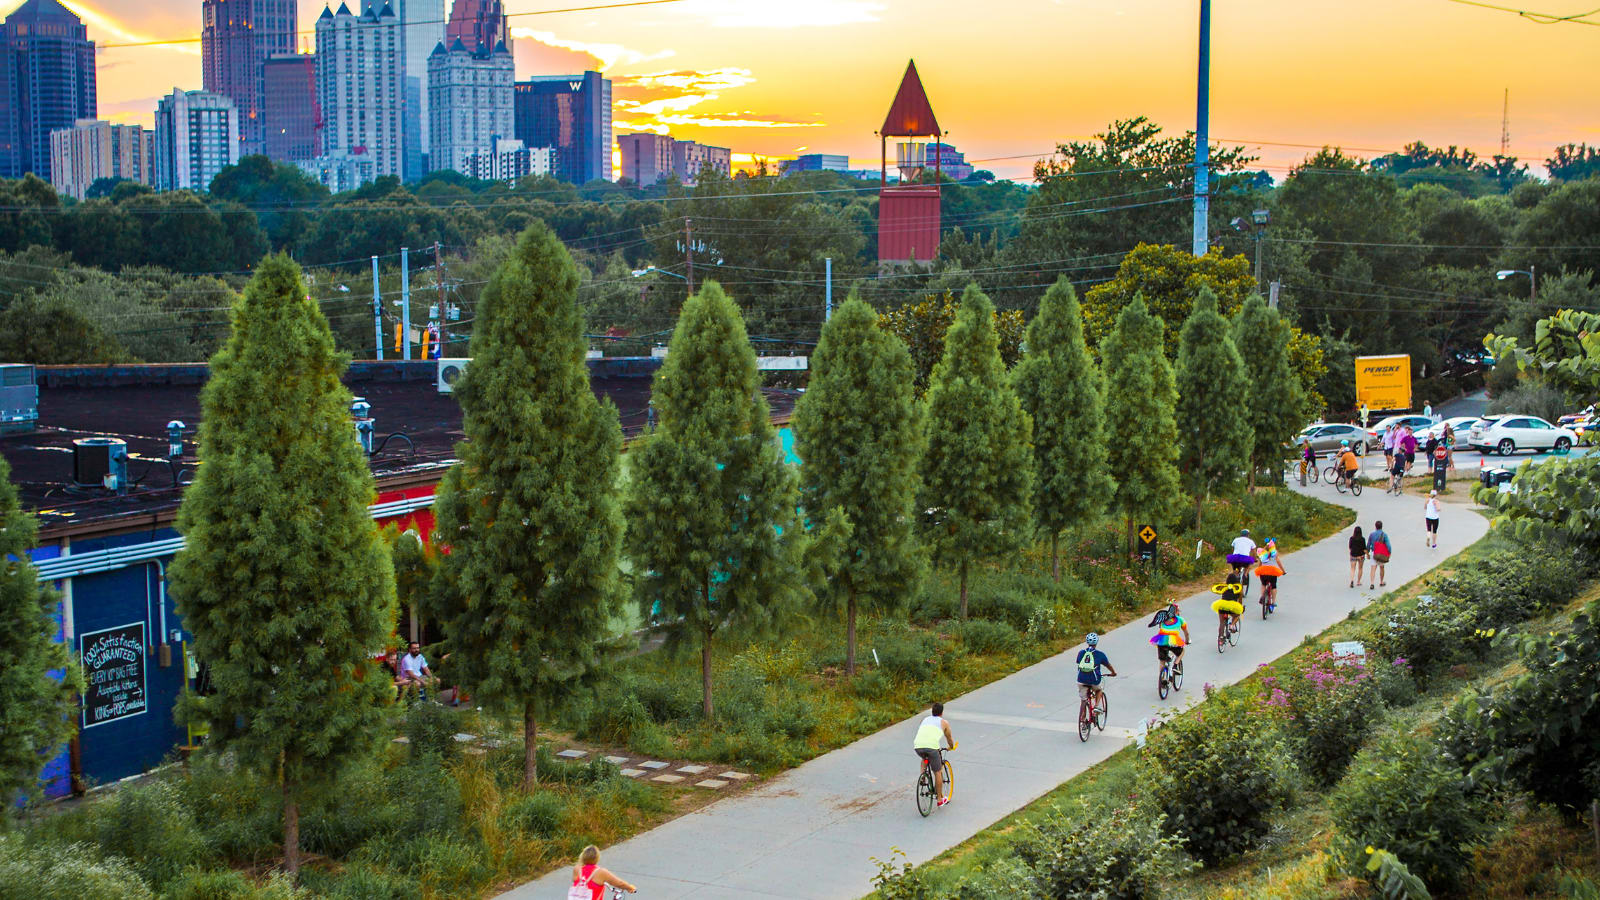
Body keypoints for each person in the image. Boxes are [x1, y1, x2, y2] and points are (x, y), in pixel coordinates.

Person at [913, 702, 956, 806]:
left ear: (932, 711)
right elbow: (949, 738)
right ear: (942, 712)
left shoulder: (925, 719)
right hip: (932, 747)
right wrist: (951, 746)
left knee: (925, 757)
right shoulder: (944, 722)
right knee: (937, 771)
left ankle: (923, 777)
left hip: (918, 746)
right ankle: (940, 799)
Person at [570, 845, 636, 898]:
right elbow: (619, 883)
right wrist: (629, 887)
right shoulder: (601, 872)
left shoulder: (577, 869)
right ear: (597, 858)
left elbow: (578, 882)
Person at [1148, 602, 1190, 681]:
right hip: (1173, 640)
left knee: (1162, 661)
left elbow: (1160, 627)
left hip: (1162, 640)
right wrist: (1187, 640)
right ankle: (1175, 665)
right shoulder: (1180, 620)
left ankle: (1162, 678)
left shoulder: (1163, 619)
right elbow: (1186, 633)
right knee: (1182, 651)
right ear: (1177, 612)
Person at [1075, 633, 1117, 711]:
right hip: (1094, 680)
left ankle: (1082, 718)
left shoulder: (1081, 653)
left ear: (1087, 642)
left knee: (1083, 700)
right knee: (1099, 690)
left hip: (1081, 680)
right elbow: (1108, 665)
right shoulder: (1100, 654)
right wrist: (1113, 673)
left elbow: (1078, 662)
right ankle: (1096, 706)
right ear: (1096, 642)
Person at [1212, 571, 1246, 637]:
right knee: (1237, 615)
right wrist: (1241, 608)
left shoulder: (1225, 587)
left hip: (1222, 605)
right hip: (1232, 606)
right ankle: (1232, 625)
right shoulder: (1238, 589)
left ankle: (1220, 639)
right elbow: (1240, 602)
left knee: (1222, 623)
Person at [1256, 538, 1285, 610]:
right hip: (1272, 571)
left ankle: (1262, 596)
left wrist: (1259, 570)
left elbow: (1260, 563)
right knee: (1274, 586)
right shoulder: (1275, 553)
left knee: (1263, 584)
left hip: (1263, 571)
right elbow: (1278, 562)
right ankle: (1273, 602)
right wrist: (1283, 571)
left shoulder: (1262, 552)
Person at [1367, 520, 1392, 589]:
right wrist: (1389, 553)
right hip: (1381, 553)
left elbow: (1368, 545)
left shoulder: (1371, 534)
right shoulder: (1384, 535)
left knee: (1373, 568)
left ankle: (1372, 583)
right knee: (1381, 568)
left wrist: (1367, 553)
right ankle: (1381, 582)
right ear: (1381, 526)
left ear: (1375, 526)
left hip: (1373, 552)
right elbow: (1388, 546)